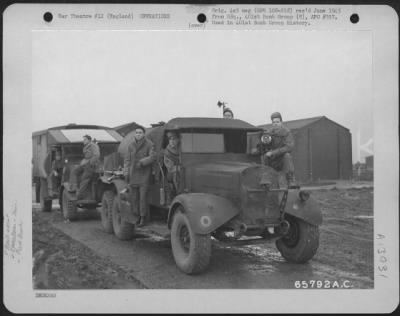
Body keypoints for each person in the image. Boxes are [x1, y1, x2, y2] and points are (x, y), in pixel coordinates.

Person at [252, 112, 297, 188]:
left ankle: (291, 180)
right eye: (273, 122)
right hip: (271, 160)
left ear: (281, 122)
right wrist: (258, 149)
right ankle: (265, 180)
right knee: (264, 156)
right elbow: (263, 145)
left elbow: (289, 147)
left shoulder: (286, 133)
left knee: (287, 156)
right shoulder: (269, 133)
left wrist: (273, 152)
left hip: (281, 160)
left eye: (277, 122)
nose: (275, 124)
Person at [123, 126, 156, 227]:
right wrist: (126, 172)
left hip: (144, 174)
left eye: (140, 132)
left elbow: (153, 156)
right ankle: (136, 216)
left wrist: (142, 162)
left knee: (143, 198)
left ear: (144, 134)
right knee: (134, 197)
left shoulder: (149, 144)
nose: (138, 134)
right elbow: (127, 160)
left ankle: (143, 218)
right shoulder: (131, 145)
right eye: (136, 132)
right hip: (133, 174)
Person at [75, 135, 100, 199]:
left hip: (91, 165)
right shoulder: (87, 146)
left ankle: (80, 195)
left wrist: (90, 163)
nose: (83, 141)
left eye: (85, 139)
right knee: (76, 171)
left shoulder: (93, 145)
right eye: (83, 139)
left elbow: (96, 155)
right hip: (85, 164)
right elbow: (86, 157)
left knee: (84, 178)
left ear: (89, 140)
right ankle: (77, 188)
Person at [163, 131, 181, 201]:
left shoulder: (182, 149)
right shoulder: (167, 152)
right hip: (171, 173)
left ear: (178, 140)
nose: (172, 141)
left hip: (183, 170)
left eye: (174, 139)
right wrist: (179, 168)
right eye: (170, 139)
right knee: (176, 174)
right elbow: (170, 167)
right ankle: (179, 194)